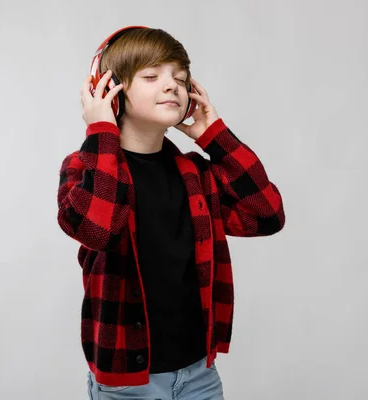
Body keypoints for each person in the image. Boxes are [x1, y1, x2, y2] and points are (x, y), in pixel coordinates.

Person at [56, 26, 285, 400]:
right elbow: (99, 230)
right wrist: (102, 129)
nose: (171, 86)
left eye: (180, 78)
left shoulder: (196, 173)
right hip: (129, 385)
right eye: (151, 76)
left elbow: (268, 215)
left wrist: (216, 136)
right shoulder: (84, 168)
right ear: (109, 90)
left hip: (199, 375)